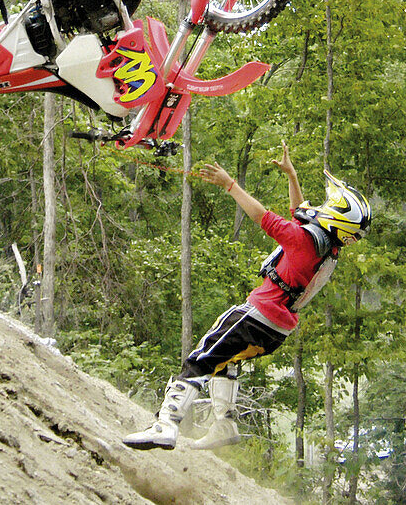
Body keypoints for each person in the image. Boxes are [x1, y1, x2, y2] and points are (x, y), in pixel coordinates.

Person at [122, 142, 372, 451]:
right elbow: (299, 213)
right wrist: (291, 175)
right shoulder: (328, 247)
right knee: (227, 361)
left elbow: (262, 217)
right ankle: (224, 424)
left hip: (257, 314)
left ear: (335, 215)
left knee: (201, 359)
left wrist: (230, 185)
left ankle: (166, 423)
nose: (320, 206)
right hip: (277, 330)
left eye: (328, 204)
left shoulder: (302, 240)